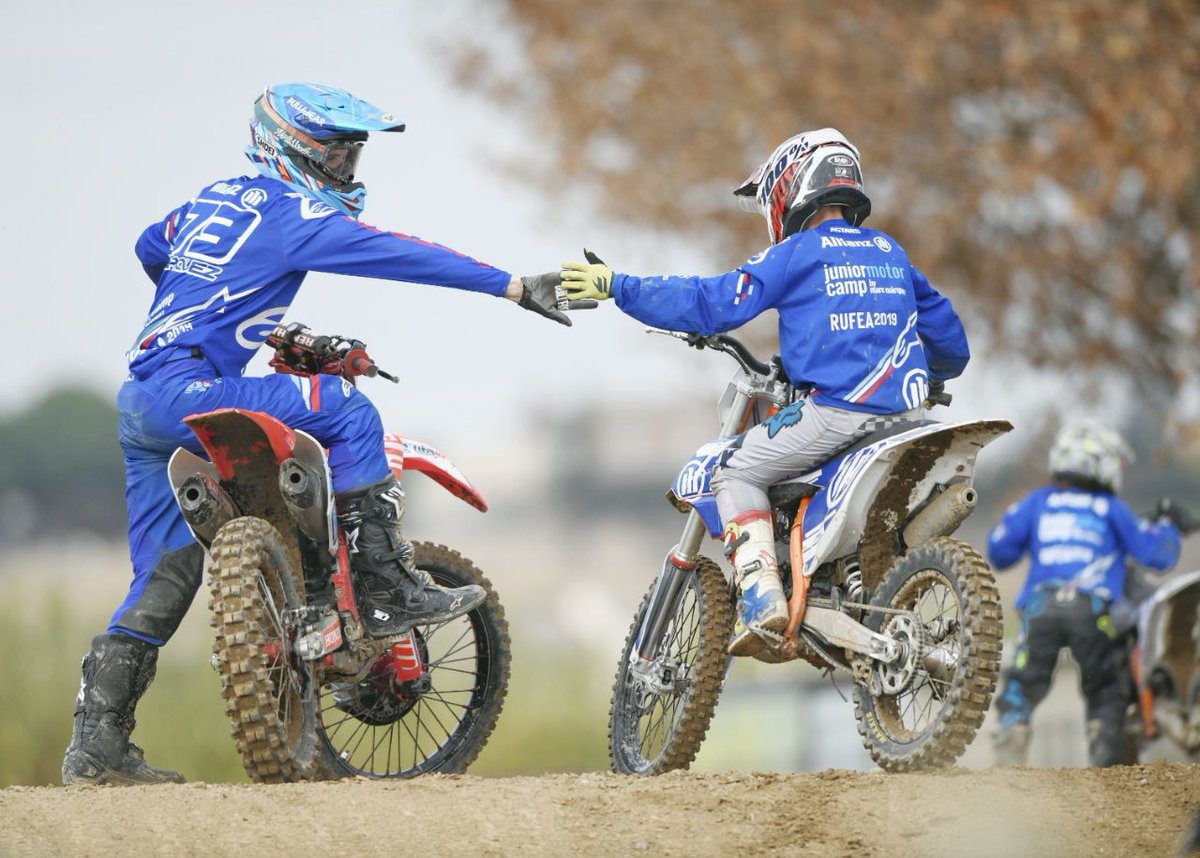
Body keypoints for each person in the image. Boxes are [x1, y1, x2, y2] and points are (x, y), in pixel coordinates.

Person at [62, 82, 572, 786]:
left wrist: (236, 320)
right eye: (338, 156)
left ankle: (97, 745)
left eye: (352, 158)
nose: (347, 172)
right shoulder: (293, 214)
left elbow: (152, 247)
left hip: (143, 396)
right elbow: (398, 252)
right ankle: (386, 585)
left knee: (167, 575)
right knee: (346, 408)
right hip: (195, 389)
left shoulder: (211, 199)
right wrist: (512, 285)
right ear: (295, 149)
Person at [560, 128, 970, 657]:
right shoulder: (892, 252)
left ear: (791, 187)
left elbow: (712, 303)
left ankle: (762, 600)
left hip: (836, 415)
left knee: (733, 471)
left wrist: (617, 286)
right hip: (909, 419)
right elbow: (953, 346)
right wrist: (928, 374)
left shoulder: (799, 253)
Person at [989, 421, 1184, 767]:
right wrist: (1168, 525)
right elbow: (1156, 555)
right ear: (1102, 464)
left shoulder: (1038, 502)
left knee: (1023, 680)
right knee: (1106, 687)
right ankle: (1103, 756)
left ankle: (1011, 743)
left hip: (1041, 607)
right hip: (1095, 612)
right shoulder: (1110, 507)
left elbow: (1000, 552)